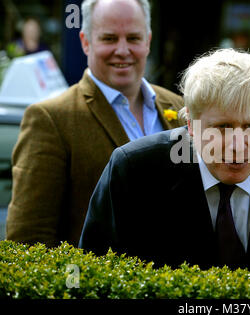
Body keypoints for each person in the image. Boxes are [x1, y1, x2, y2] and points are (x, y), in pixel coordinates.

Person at [79, 48, 250, 278]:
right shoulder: (134, 172)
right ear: (190, 124)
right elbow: (94, 277)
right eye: (222, 127)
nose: (237, 145)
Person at [7, 0, 185, 247]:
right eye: (110, 39)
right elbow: (29, 240)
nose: (122, 50)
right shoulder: (51, 119)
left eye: (133, 38)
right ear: (85, 42)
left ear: (148, 41)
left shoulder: (178, 106)